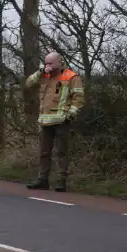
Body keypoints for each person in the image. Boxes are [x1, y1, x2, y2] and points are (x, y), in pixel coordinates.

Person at [25, 52, 84, 191]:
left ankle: (61, 181)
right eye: (46, 63)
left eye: (50, 63)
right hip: (45, 120)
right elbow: (28, 84)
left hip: (62, 120)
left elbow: (79, 98)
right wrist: (40, 71)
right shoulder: (44, 75)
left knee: (61, 152)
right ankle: (42, 180)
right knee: (44, 152)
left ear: (59, 62)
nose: (48, 66)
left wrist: (70, 114)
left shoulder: (71, 76)